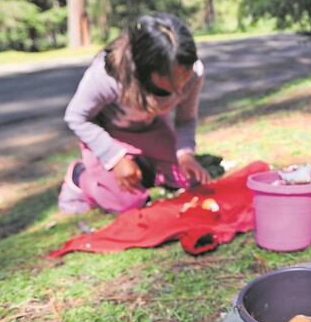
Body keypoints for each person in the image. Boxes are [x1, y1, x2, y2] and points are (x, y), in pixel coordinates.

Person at [58, 12, 212, 214]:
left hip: (150, 129)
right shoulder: (108, 76)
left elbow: (185, 120)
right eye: (170, 80)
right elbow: (76, 117)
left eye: (186, 73)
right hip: (108, 133)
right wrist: (115, 158)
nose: (181, 86)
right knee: (126, 203)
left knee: (189, 181)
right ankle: (81, 177)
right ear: (143, 69)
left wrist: (185, 155)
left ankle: (145, 166)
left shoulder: (194, 72)